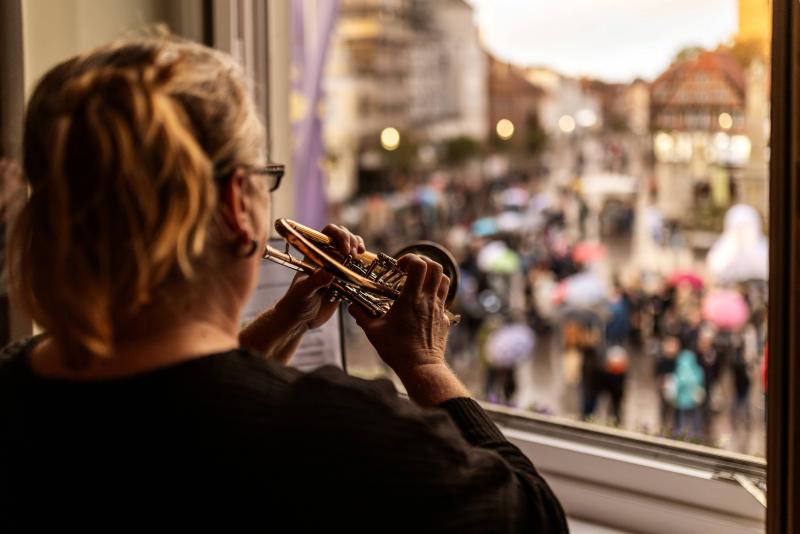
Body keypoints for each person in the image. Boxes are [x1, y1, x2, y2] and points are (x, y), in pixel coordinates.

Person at [0, 36, 567, 532]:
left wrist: (286, 320)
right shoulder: (330, 431)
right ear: (233, 206)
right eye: (263, 177)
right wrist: (424, 365)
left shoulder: (17, 373)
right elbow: (533, 517)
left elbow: (166, 405)